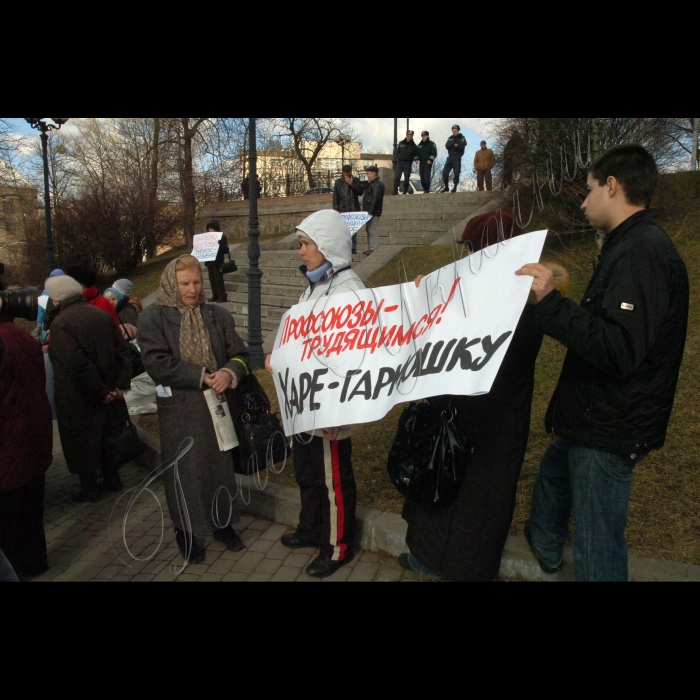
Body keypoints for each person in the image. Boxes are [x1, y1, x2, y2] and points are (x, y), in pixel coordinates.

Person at [517, 144, 689, 582]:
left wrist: (552, 304)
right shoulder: (627, 245)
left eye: (589, 189)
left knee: (597, 543)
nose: (582, 201)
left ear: (611, 186)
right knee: (553, 476)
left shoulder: (642, 252)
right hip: (592, 416)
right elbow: (607, 326)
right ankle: (546, 548)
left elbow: (618, 348)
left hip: (610, 426)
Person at [399, 212, 569, 582]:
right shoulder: (476, 290)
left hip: (494, 424)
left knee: (479, 506)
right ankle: (428, 558)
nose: (466, 258)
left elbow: (494, 356)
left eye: (472, 250)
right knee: (441, 489)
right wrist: (427, 301)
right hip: (459, 416)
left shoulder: (524, 300)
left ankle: (468, 572)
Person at [264, 210, 364, 578]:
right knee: (308, 472)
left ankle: (338, 547)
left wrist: (339, 411)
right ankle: (311, 527)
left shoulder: (349, 290)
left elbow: (354, 358)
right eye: (302, 244)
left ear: (328, 245)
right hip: (304, 403)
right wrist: (280, 354)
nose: (301, 251)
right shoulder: (316, 284)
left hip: (328, 407)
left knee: (332, 479)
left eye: (306, 243)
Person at [138, 255, 251, 565]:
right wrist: (200, 376)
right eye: (184, 283)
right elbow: (156, 363)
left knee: (219, 471)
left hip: (218, 408)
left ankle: (223, 525)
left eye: (197, 282)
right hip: (181, 412)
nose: (192, 289)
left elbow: (240, 354)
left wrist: (229, 373)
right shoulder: (153, 318)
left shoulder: (217, 315)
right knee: (185, 473)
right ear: (170, 284)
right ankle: (186, 532)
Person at [45, 274, 132, 502]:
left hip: (79, 397)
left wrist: (101, 391)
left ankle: (90, 487)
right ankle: (112, 477)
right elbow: (122, 350)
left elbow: (76, 365)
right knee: (107, 436)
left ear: (56, 299)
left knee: (82, 442)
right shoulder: (101, 314)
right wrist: (117, 385)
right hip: (108, 391)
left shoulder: (61, 324)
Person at [0, 280, 54, 577]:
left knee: (10, 520)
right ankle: (35, 563)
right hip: (32, 434)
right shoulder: (21, 335)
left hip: (8, 441)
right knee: (31, 513)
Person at [333, 165, 364, 253]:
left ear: (351, 171)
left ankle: (353, 247)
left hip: (354, 208)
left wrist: (351, 184)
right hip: (343, 208)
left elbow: (360, 192)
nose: (346, 174)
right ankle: (345, 247)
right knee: (344, 230)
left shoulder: (356, 180)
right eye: (344, 172)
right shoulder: (339, 182)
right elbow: (336, 196)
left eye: (348, 172)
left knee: (353, 229)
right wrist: (336, 209)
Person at [203, 219, 230, 303]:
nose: (210, 230)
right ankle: (215, 295)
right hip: (209, 261)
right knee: (212, 279)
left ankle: (222, 296)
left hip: (217, 261)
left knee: (218, 279)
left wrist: (220, 244)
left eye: (212, 228)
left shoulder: (222, 237)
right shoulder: (206, 238)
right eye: (209, 228)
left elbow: (226, 249)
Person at [361, 166, 385, 254]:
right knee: (369, 229)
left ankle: (373, 248)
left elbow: (375, 198)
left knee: (372, 229)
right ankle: (371, 247)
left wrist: (370, 211)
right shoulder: (372, 183)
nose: (367, 175)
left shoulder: (377, 184)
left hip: (373, 211)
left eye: (368, 173)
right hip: (369, 210)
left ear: (374, 173)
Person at [37, 268, 64, 341]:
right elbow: (41, 308)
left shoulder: (65, 292)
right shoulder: (45, 291)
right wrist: (39, 322)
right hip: (46, 327)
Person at [442, 125, 467, 193]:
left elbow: (461, 147)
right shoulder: (450, 138)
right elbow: (447, 146)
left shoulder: (462, 138)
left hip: (457, 157)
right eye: (453, 131)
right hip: (450, 157)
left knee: (456, 173)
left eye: (455, 131)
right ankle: (446, 187)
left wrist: (452, 146)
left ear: (458, 130)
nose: (454, 132)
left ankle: (455, 186)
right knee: (445, 173)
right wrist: (454, 145)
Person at [394, 130, 419, 195]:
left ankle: (405, 190)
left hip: (408, 162)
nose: (409, 136)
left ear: (412, 136)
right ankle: (395, 190)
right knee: (397, 176)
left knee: (407, 177)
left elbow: (416, 154)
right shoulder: (401, 143)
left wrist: (416, 159)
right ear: (406, 135)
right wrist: (397, 157)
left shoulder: (414, 146)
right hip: (400, 161)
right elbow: (397, 151)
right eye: (408, 135)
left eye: (410, 135)